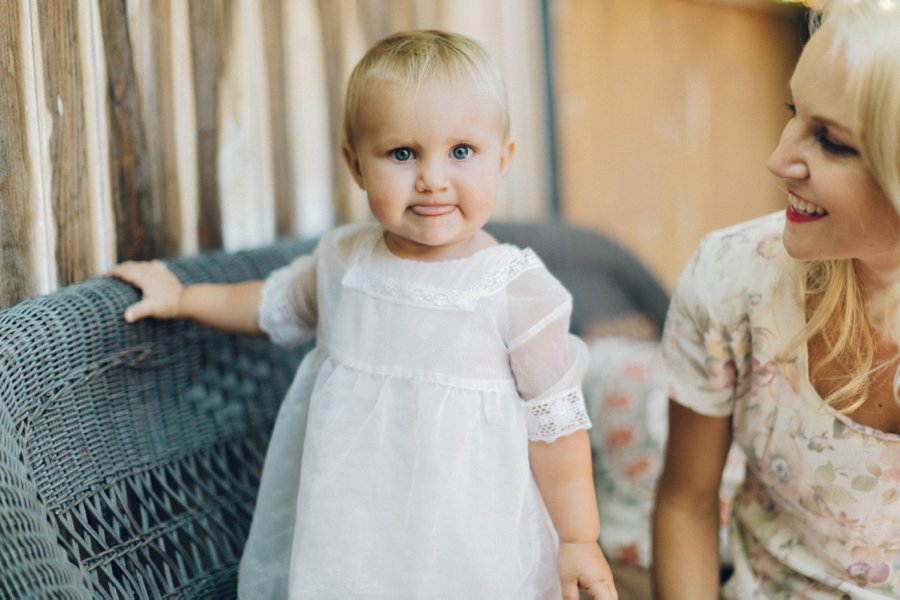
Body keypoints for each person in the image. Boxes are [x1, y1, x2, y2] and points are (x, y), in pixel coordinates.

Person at [110, 30, 618, 600]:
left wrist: (578, 537)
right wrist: (184, 298)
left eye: (461, 152)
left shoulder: (514, 290)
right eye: (402, 153)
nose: (432, 177)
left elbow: (556, 429)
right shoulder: (345, 261)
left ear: (503, 160)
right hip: (354, 523)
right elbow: (268, 303)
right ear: (356, 164)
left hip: (471, 529)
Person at [651, 0, 900, 597]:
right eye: (795, 112)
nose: (779, 159)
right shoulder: (731, 275)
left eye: (832, 142)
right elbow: (685, 503)